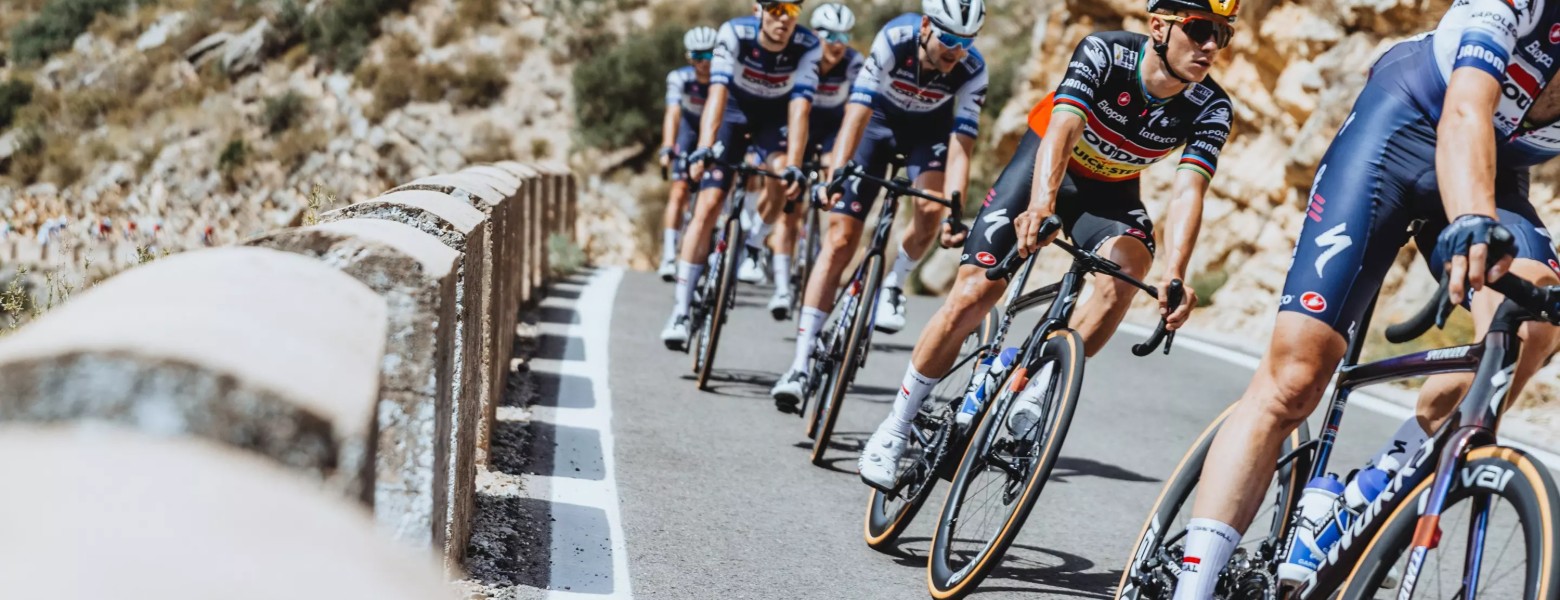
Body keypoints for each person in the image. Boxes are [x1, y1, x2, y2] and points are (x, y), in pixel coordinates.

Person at [1170, 0, 1560, 597]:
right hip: (1401, 130)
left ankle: (1365, 492)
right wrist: (1474, 218)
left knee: (1529, 325)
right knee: (1296, 377)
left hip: (1494, 166)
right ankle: (1192, 586)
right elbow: (1464, 113)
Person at [852, 0, 1239, 489]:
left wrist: (1177, 274)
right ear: (1158, 27)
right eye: (1200, 29)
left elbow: (1189, 189)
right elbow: (1064, 127)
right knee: (973, 293)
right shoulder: (1106, 53)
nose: (1209, 46)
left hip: (1112, 192)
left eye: (1221, 36)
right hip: (1045, 167)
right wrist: (1040, 205)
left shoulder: (1212, 106)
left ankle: (1035, 393)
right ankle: (897, 424)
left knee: (1129, 269)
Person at [768, 0, 990, 408]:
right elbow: (856, 112)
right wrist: (836, 176)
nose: (956, 50)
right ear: (925, 26)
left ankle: (893, 284)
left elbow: (962, 145)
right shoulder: (895, 39)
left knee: (930, 209)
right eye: (949, 39)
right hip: (877, 124)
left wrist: (955, 210)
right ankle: (799, 366)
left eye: (967, 42)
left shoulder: (972, 69)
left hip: (928, 133)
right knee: (839, 241)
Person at [660, 0, 822, 349]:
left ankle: (753, 243)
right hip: (733, 112)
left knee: (781, 177)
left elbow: (800, 108)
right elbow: (716, 95)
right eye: (776, 9)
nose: (783, 19)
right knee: (709, 203)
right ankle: (681, 310)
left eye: (791, 11)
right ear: (758, 10)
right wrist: (705, 146)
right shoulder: (734, 34)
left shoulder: (808, 45)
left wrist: (794, 163)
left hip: (775, 118)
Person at [764, 2, 866, 319]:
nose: (836, 42)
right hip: (799, 128)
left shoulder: (853, 63)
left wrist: (835, 163)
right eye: (829, 35)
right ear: (815, 34)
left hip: (832, 131)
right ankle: (782, 287)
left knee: (832, 177)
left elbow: (856, 111)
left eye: (843, 35)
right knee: (789, 211)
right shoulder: (800, 57)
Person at [657, 27, 720, 282]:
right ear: (688, 56)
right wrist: (667, 146)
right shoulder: (679, 78)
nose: (704, 62)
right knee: (679, 191)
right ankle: (669, 255)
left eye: (710, 55)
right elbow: (673, 113)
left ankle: (714, 251)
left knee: (716, 193)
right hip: (690, 132)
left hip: (714, 132)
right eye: (698, 55)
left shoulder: (722, 79)